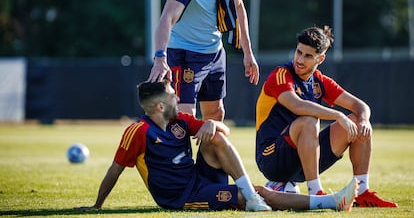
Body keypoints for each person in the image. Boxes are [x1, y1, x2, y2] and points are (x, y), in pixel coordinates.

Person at [76, 80, 358, 212]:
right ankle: (331, 202)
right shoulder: (138, 131)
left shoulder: (180, 120)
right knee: (256, 195)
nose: (179, 99)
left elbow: (225, 132)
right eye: (173, 96)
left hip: (199, 177)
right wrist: (97, 206)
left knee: (215, 137)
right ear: (159, 105)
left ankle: (252, 196)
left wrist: (213, 124)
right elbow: (115, 170)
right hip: (181, 197)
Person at [255, 25, 398, 207]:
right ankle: (316, 191)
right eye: (299, 52)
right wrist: (338, 115)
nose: (300, 59)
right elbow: (297, 105)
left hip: (303, 160)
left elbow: (360, 105)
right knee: (309, 120)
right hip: (272, 159)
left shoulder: (319, 81)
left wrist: (363, 119)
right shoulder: (281, 74)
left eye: (308, 56)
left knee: (357, 120)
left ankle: (362, 192)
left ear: (320, 59)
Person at [147, 0, 259, 121]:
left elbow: (239, 7)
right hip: (185, 54)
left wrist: (248, 53)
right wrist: (159, 58)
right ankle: (177, 153)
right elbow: (167, 17)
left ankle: (205, 154)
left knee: (216, 115)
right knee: (184, 118)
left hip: (215, 52)